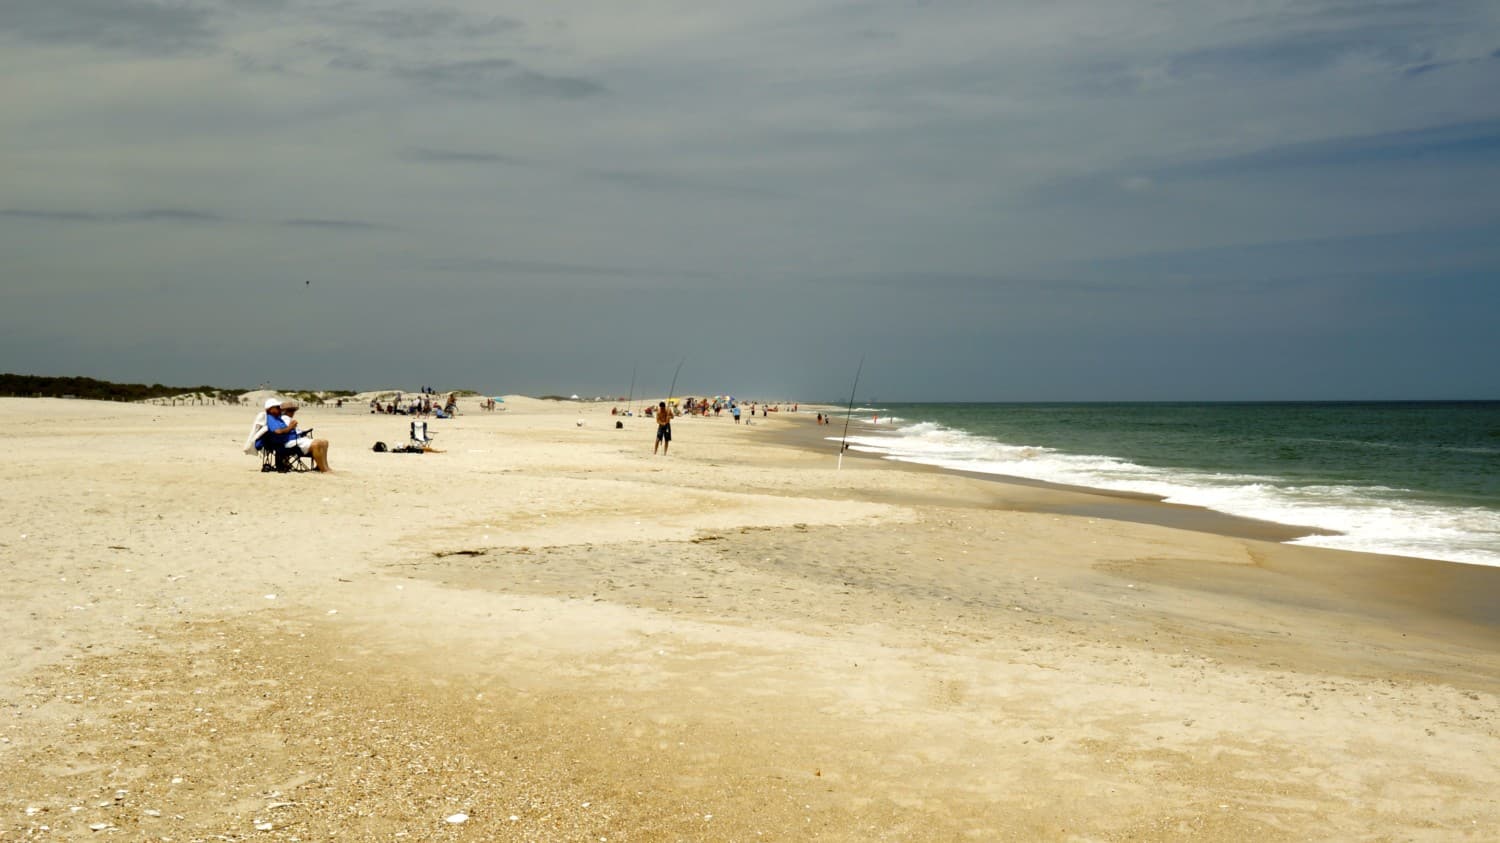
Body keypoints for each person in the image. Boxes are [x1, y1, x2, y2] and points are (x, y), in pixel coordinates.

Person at [265, 398, 332, 472]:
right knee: (316, 444)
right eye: (277, 407)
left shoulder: (277, 418)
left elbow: (287, 430)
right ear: (270, 409)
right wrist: (291, 427)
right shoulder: (273, 418)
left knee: (324, 442)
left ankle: (324, 466)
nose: (279, 409)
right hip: (288, 442)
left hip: (292, 439)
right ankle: (324, 469)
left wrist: (296, 430)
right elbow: (278, 431)